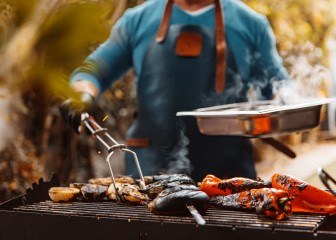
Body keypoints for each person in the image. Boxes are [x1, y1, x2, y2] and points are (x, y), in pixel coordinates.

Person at [60, 0, 289, 182]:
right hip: (149, 173)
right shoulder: (137, 20)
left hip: (228, 176)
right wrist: (81, 97)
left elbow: (278, 88)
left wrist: (287, 104)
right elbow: (91, 73)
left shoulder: (251, 24)